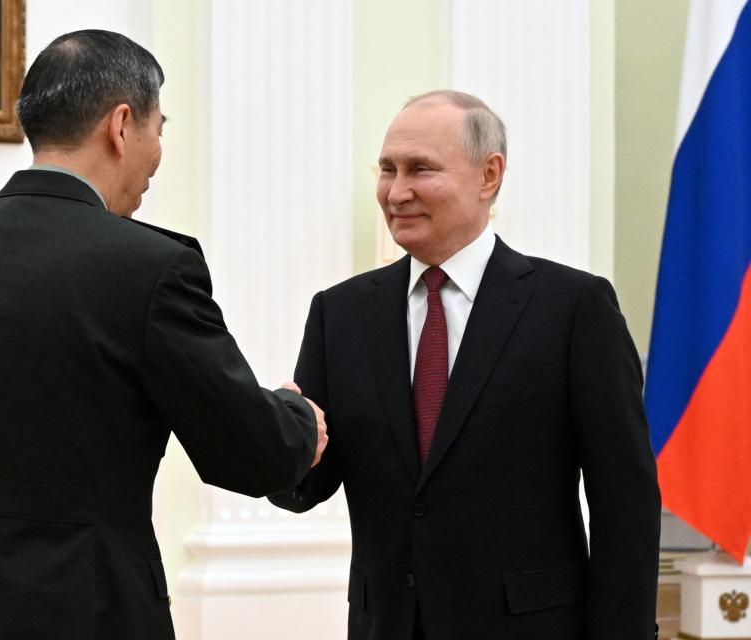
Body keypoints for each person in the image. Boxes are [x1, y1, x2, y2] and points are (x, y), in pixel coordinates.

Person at [0, 30, 326, 640]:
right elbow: (252, 454)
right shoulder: (151, 268)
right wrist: (297, 418)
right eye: (158, 128)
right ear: (121, 125)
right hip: (86, 607)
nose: (157, 150)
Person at [270, 90, 660, 639]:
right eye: (387, 169)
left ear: (489, 175)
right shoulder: (340, 314)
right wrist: (277, 434)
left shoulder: (573, 309)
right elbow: (304, 488)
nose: (396, 192)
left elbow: (626, 502)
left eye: (420, 169)